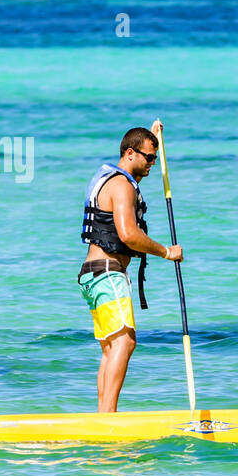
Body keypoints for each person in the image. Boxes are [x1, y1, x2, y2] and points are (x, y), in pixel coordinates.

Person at [78, 121, 184, 412]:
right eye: (149, 157)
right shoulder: (121, 184)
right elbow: (128, 233)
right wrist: (166, 251)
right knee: (125, 343)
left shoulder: (111, 177)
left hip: (94, 275)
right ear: (129, 153)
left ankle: (102, 415)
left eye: (155, 157)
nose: (152, 163)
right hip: (108, 272)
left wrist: (152, 136)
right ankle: (109, 415)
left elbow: (140, 142)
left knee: (112, 347)